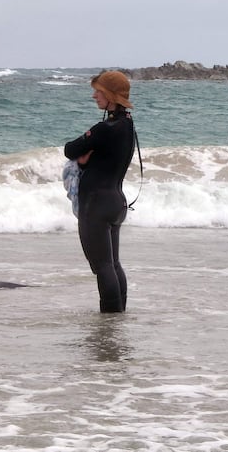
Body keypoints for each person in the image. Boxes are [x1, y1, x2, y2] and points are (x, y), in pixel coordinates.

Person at [64, 70, 136, 313]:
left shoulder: (105, 129)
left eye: (98, 91)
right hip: (116, 202)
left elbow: (70, 149)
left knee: (102, 267)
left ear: (111, 95)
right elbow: (108, 158)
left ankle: (109, 325)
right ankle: (118, 319)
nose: (94, 96)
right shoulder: (127, 125)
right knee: (113, 264)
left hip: (95, 204)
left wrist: (83, 159)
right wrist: (88, 160)